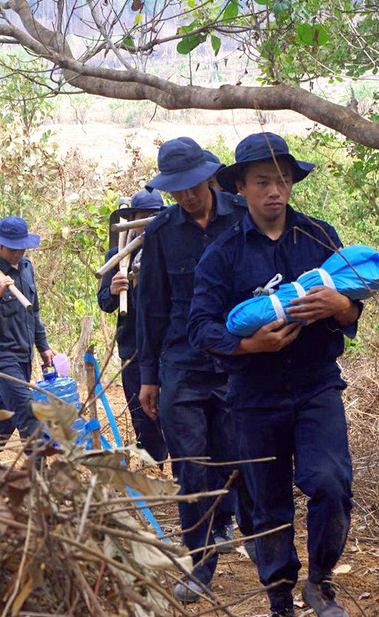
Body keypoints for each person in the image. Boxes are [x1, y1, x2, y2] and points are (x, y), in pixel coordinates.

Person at [188, 132, 360, 617]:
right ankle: (280, 597)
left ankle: (321, 581)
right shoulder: (222, 254)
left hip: (316, 385)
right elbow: (199, 326)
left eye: (283, 180)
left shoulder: (321, 238)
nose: (275, 191)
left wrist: (343, 306)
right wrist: (248, 344)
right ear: (239, 187)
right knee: (266, 504)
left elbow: (354, 303)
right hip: (252, 395)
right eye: (263, 181)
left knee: (329, 482)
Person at [136, 137, 251, 602]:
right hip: (181, 363)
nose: (186, 196)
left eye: (192, 186)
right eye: (176, 189)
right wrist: (149, 375)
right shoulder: (162, 231)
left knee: (235, 459)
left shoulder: (244, 216)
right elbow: (152, 307)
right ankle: (200, 564)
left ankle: (260, 548)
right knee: (190, 466)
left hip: (238, 359)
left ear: (210, 176)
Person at [97, 189, 167, 462]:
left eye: (154, 216)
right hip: (133, 346)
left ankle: (173, 465)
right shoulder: (116, 257)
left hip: (165, 345)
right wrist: (114, 290)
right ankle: (153, 464)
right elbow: (105, 303)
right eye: (143, 217)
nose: (148, 222)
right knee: (141, 410)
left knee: (171, 409)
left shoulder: (169, 250)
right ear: (132, 219)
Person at [0, 216, 54, 448]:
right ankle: (38, 473)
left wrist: (43, 345)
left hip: (24, 352)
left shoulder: (27, 268)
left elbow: (33, 311)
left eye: (22, 247)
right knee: (28, 410)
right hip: (1, 354)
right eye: (12, 248)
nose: (18, 253)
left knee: (5, 416)